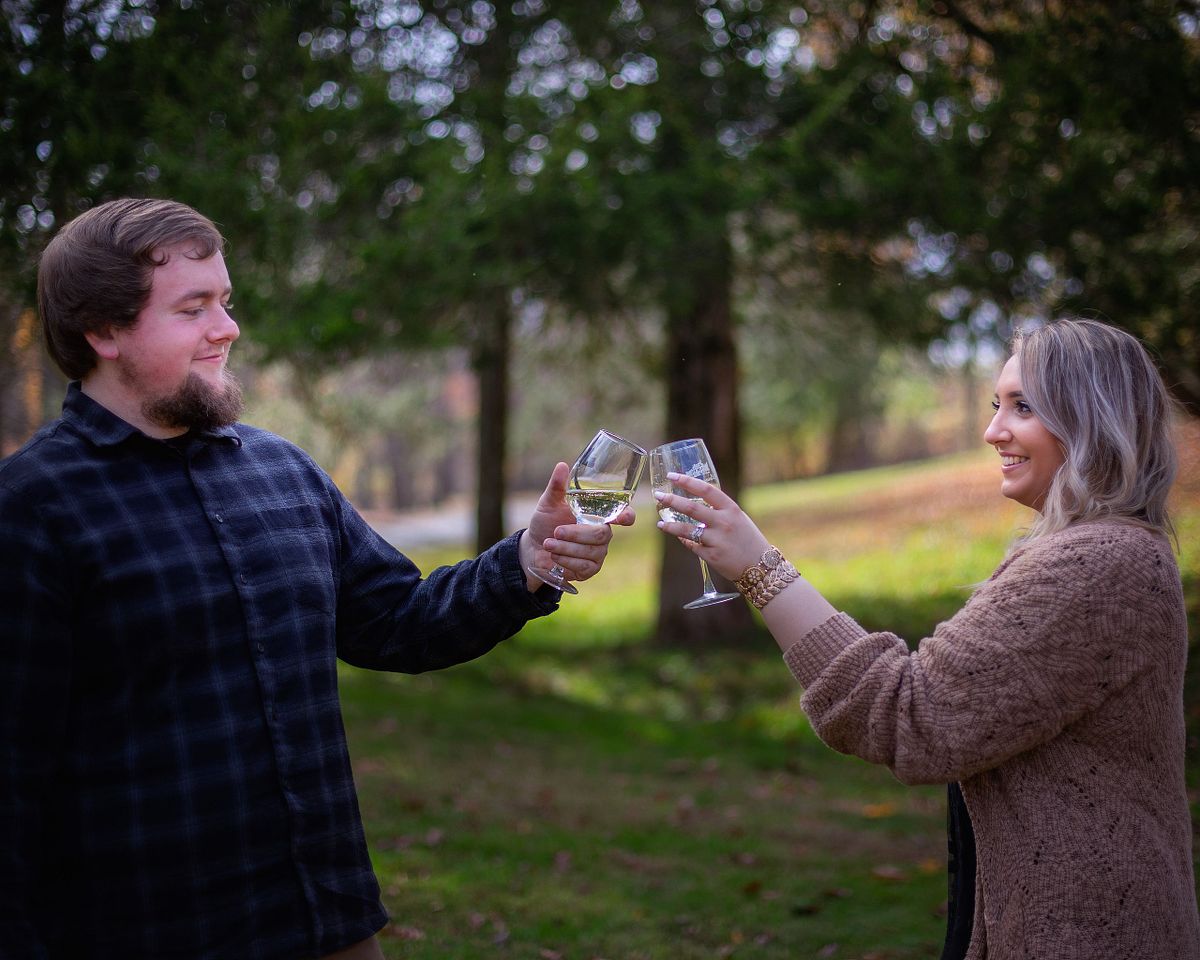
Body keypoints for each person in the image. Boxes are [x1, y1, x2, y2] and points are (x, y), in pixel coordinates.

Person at [0, 197, 633, 960]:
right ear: (102, 330)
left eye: (225, 302)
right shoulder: (33, 510)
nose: (226, 329)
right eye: (193, 308)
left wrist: (527, 561)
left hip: (327, 921)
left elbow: (398, 621)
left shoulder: (280, 470)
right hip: (152, 931)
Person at [655, 318, 1199, 959]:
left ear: (1091, 418)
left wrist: (759, 568)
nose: (994, 430)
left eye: (1024, 407)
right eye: (997, 405)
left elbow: (909, 714)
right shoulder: (1105, 552)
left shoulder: (1099, 564)